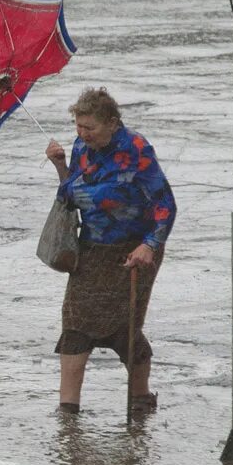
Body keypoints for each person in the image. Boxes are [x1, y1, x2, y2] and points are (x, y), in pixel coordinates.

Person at [44, 87, 176, 414]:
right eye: (78, 125)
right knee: (75, 324)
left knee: (124, 328)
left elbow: (165, 205)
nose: (81, 133)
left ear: (112, 122)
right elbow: (71, 195)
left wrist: (149, 245)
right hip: (91, 248)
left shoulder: (137, 151)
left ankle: (141, 399)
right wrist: (60, 166)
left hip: (133, 251)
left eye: (89, 127)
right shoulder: (81, 148)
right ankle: (67, 410)